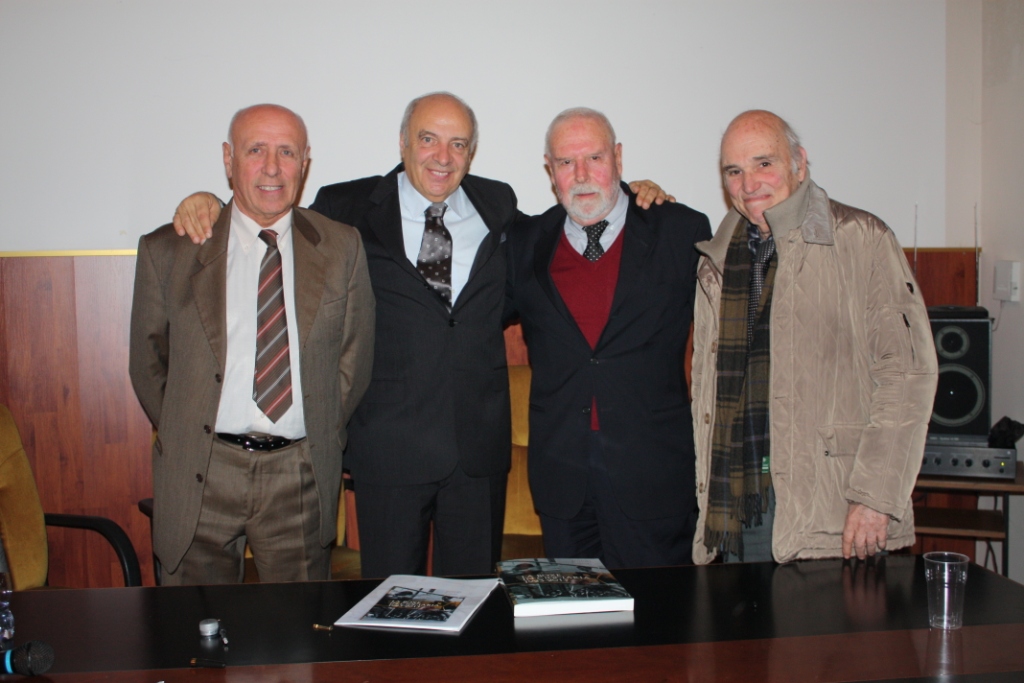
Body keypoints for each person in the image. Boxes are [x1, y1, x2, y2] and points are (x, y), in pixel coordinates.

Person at [171, 93, 670, 578]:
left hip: (477, 454)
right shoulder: (344, 207)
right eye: (428, 139)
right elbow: (269, 215)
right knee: (390, 609)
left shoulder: (499, 204)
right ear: (403, 143)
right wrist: (210, 201)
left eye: (458, 144)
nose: (442, 156)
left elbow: (570, 225)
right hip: (389, 450)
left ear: (471, 153)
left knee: (473, 608)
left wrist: (632, 195)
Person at [129, 104, 375, 584]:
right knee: (191, 640)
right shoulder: (170, 250)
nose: (271, 167)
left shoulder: (342, 247)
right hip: (201, 473)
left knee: (299, 645)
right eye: (255, 149)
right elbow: (148, 363)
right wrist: (190, 428)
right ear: (228, 159)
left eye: (287, 152)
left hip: (298, 475)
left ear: (305, 163)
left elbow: (354, 361)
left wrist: (313, 430)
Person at [689, 110, 938, 564]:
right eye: (734, 171)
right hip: (738, 511)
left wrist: (875, 497)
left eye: (764, 163)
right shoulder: (718, 259)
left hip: (837, 509)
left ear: (799, 164)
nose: (750, 184)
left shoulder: (861, 238)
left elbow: (907, 375)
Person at [505, 108, 711, 569]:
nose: (581, 175)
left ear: (618, 157)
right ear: (549, 169)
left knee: (659, 627)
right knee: (575, 628)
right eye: (565, 162)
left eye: (594, 157)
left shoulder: (680, 231)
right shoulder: (523, 243)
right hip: (562, 478)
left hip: (653, 474)